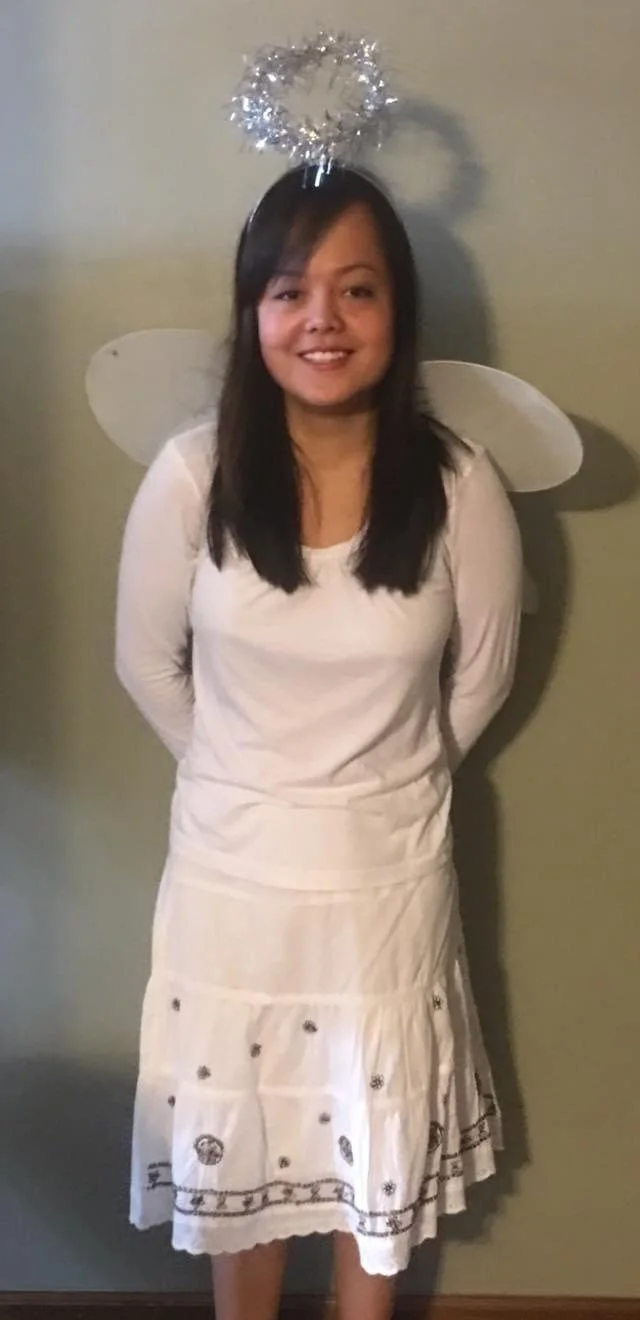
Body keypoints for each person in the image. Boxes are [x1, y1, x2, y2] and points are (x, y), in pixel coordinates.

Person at [115, 164, 522, 1320]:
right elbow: (147, 664)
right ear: (252, 313)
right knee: (236, 1155)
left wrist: (377, 788)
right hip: (229, 879)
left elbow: (480, 676)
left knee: (370, 1151)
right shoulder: (192, 475)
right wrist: (249, 779)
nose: (321, 323)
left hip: (386, 880)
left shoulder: (458, 488)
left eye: (357, 291)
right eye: (291, 291)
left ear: (398, 312)